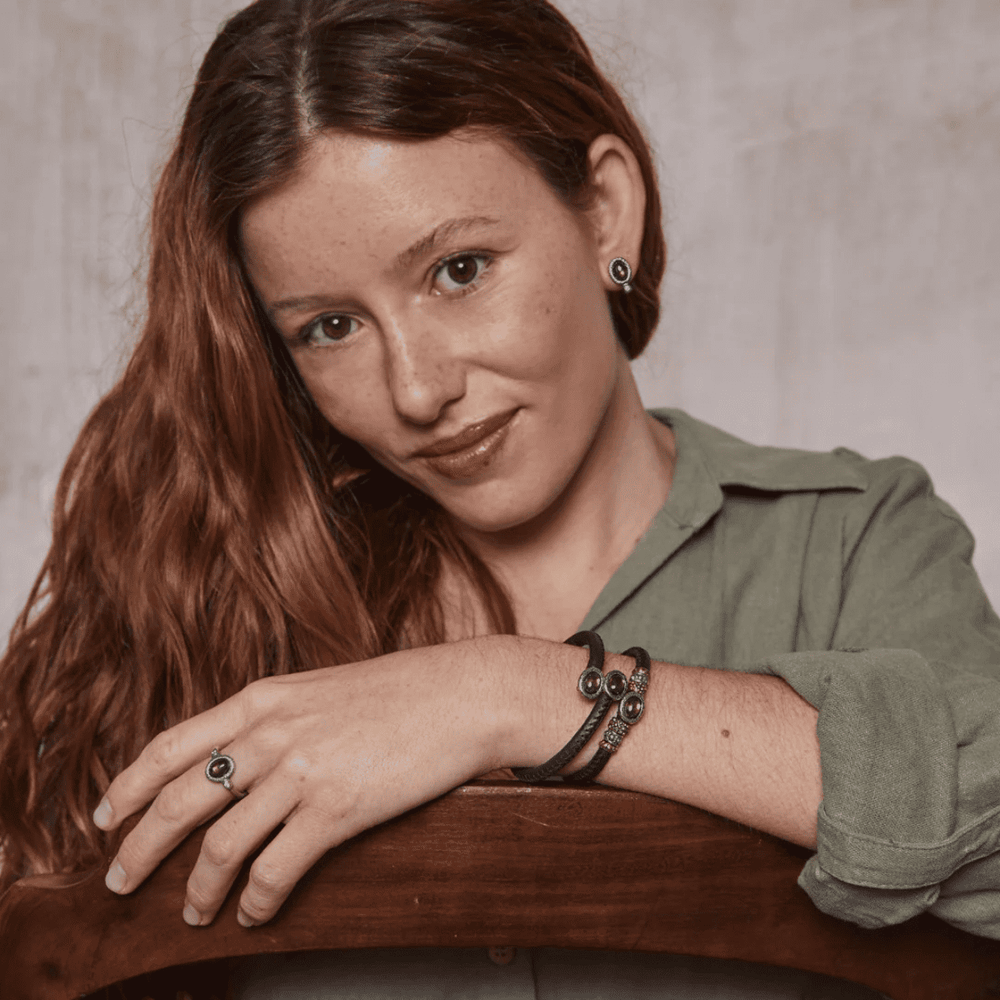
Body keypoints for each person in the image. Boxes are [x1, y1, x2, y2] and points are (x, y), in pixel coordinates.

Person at [2, 1, 999, 997]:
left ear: (606, 211)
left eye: (458, 270)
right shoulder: (218, 593)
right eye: (331, 327)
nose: (416, 390)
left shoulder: (851, 542)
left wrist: (510, 694)